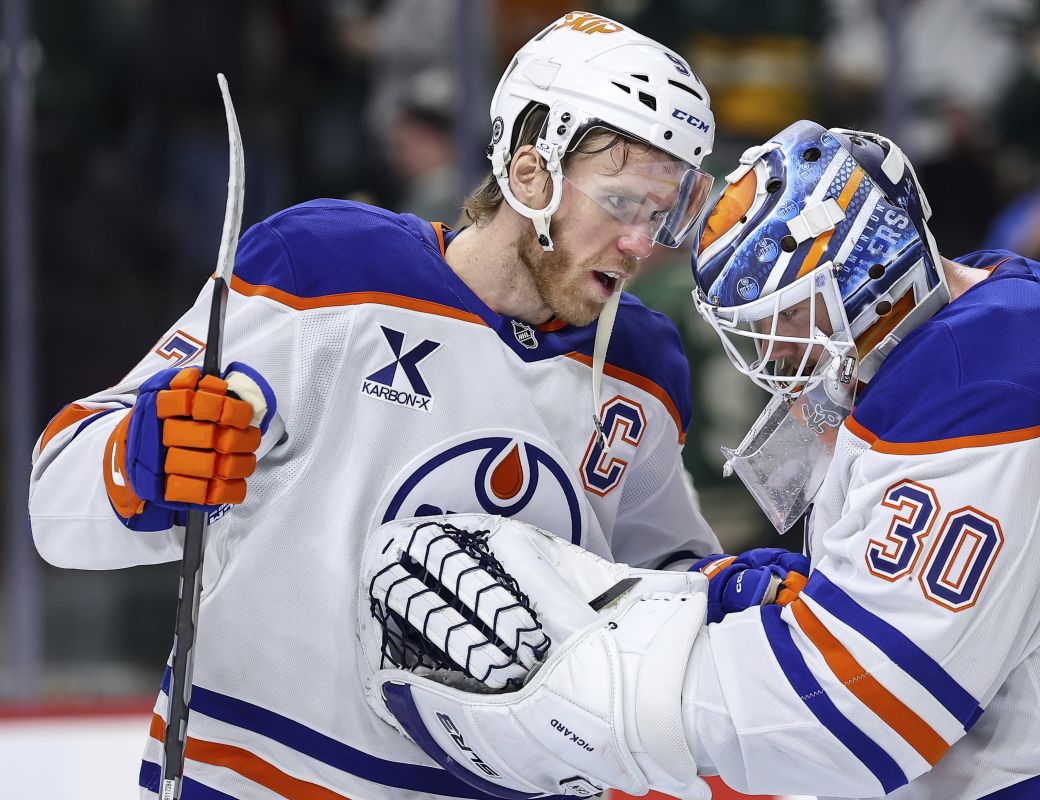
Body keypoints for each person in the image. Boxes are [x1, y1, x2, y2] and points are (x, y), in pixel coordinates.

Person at [375, 120, 1040, 799]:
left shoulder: (986, 373)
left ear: (874, 271)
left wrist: (583, 686)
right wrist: (733, 594)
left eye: (792, 315)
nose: (779, 350)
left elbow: (854, 712)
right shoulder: (999, 311)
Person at [29, 11, 720, 799]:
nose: (646, 243)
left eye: (664, 213)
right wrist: (142, 458)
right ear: (531, 175)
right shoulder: (323, 272)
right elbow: (58, 496)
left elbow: (657, 576)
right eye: (625, 203)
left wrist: (723, 598)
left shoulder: (645, 367)